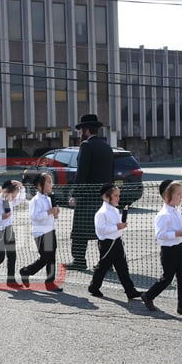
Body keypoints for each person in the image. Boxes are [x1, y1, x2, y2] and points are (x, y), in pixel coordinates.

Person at [142, 180, 182, 316]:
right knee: (167, 278)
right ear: (167, 196)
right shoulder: (163, 215)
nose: (181, 197)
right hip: (168, 251)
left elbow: (177, 229)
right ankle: (148, 295)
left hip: (179, 248)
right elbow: (160, 235)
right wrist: (178, 233)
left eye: (181, 194)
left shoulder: (176, 211)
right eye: (178, 194)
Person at [68, 114, 114, 270]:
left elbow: (81, 173)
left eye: (81, 129)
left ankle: (79, 261)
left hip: (87, 196)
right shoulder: (107, 147)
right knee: (103, 231)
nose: (80, 132)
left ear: (86, 130)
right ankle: (106, 263)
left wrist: (75, 194)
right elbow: (111, 173)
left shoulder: (86, 145)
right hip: (104, 197)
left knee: (80, 230)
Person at [88, 183, 142, 300]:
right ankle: (94, 287)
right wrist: (117, 227)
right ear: (107, 197)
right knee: (103, 266)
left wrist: (120, 227)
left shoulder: (115, 210)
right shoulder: (101, 213)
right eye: (116, 195)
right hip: (107, 243)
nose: (118, 198)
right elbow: (101, 231)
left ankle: (130, 290)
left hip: (117, 242)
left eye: (119, 195)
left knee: (122, 267)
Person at [20, 172, 61, 291]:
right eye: (48, 182)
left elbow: (53, 216)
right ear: (39, 185)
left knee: (50, 258)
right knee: (46, 257)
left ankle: (49, 282)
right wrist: (49, 212)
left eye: (51, 181)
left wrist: (55, 213)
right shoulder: (35, 200)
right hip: (41, 233)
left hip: (50, 230)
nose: (51, 184)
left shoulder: (49, 198)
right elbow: (34, 217)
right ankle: (26, 271)